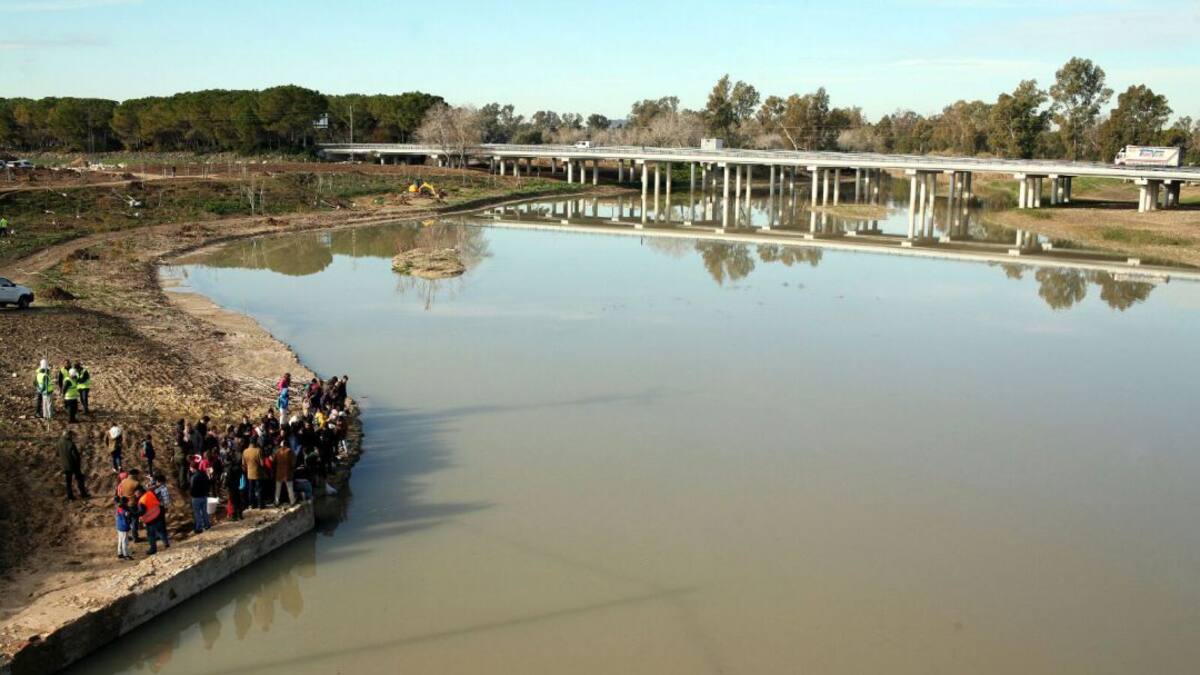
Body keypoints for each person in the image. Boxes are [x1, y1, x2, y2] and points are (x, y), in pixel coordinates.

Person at [57, 430, 89, 500]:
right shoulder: (70, 443)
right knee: (79, 479)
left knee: (68, 482)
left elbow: (57, 453)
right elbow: (75, 456)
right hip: (74, 465)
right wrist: (78, 463)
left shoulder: (59, 443)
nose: (72, 437)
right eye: (71, 435)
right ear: (68, 435)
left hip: (65, 466)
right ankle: (83, 493)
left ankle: (70, 496)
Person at [136, 486, 169, 555]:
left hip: (150, 519)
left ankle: (153, 549)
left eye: (136, 493)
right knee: (160, 531)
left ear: (139, 493)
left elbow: (142, 512)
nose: (135, 495)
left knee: (151, 535)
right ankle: (166, 543)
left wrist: (136, 515)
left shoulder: (142, 501)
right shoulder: (150, 493)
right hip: (157, 513)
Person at [116, 469, 142, 542]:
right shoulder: (136, 483)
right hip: (133, 504)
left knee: (127, 520)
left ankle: (127, 536)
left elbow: (119, 492)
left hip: (125, 504)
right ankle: (135, 537)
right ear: (135, 475)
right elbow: (140, 494)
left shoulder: (123, 481)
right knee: (134, 521)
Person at [189, 464, 212, 533]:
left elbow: (192, 488)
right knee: (205, 512)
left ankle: (199, 528)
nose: (190, 470)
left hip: (196, 497)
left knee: (197, 513)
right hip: (204, 496)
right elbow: (208, 483)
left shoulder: (193, 477)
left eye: (190, 468)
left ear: (193, 468)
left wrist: (191, 494)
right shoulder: (204, 474)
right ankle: (207, 525)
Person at [243, 441, 265, 509]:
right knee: (259, 489)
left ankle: (252, 505)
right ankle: (260, 505)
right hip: (258, 473)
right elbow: (262, 463)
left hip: (249, 474)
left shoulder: (245, 451)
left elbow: (244, 464)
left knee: (251, 489)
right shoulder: (258, 451)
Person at [273, 440, 295, 506]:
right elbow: (293, 463)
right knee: (290, 488)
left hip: (279, 473)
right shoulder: (290, 451)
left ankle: (276, 502)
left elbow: (274, 462)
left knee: (278, 489)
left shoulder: (277, 452)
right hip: (287, 473)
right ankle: (292, 501)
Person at [224, 457, 244, 521]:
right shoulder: (239, 468)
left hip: (231, 487)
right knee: (238, 501)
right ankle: (240, 515)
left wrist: (225, 485)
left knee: (233, 501)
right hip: (237, 486)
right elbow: (241, 475)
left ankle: (234, 516)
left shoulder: (230, 469)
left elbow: (228, 479)